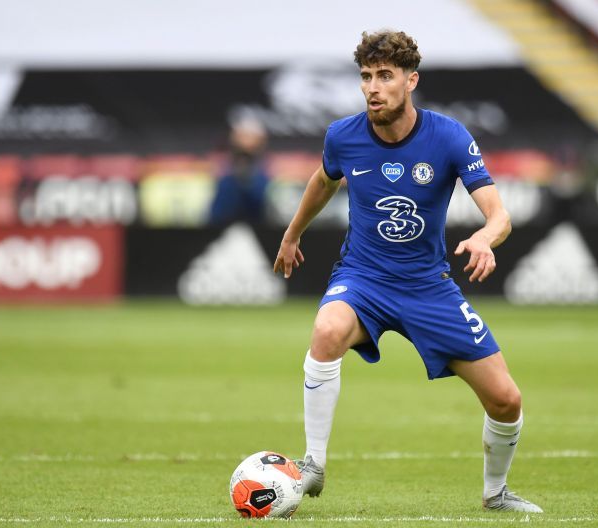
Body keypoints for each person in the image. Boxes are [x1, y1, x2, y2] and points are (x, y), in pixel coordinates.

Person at [273, 30, 542, 513]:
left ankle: (496, 494)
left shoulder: (449, 137)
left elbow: (499, 215)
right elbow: (322, 179)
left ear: (410, 80)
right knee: (327, 327)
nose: (372, 87)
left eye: (384, 76)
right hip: (364, 279)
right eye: (365, 77)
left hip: (427, 288)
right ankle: (312, 464)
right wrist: (292, 235)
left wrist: (483, 237)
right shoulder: (343, 136)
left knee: (506, 400)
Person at [208, 116, 270, 225]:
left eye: (251, 137)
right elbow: (216, 215)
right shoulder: (224, 180)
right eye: (242, 137)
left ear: (261, 142)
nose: (246, 143)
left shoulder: (266, 179)